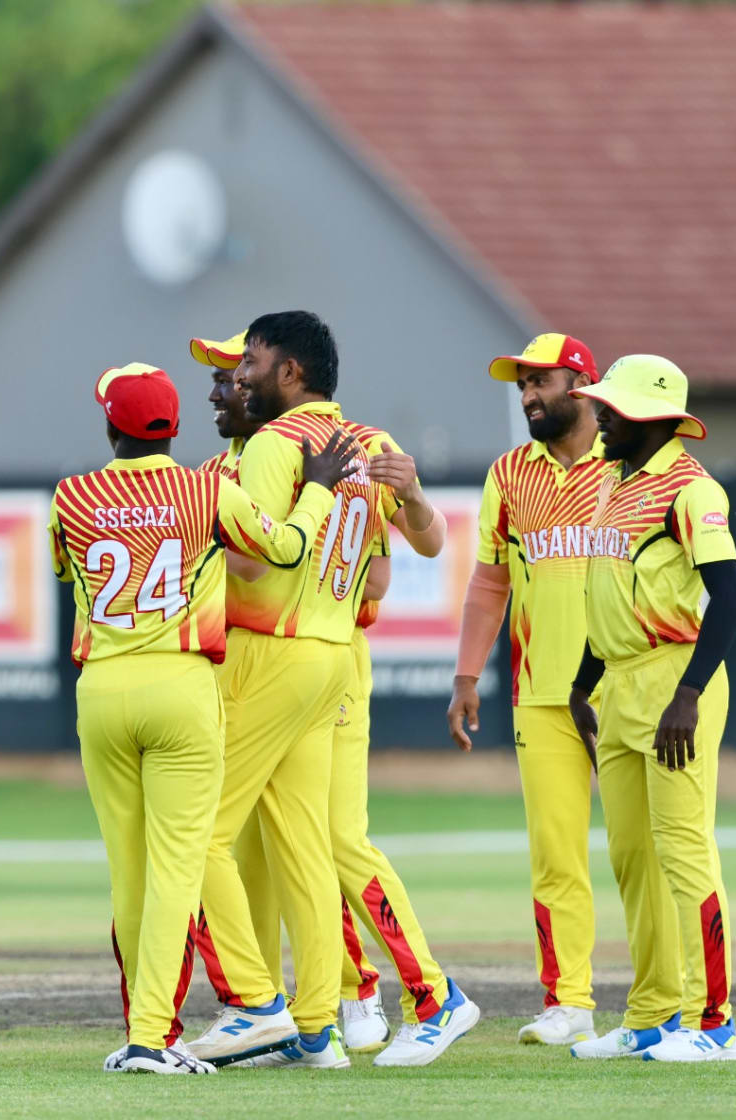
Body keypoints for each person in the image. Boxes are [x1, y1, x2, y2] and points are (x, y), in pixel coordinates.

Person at [187, 312, 478, 1070]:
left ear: (289, 372)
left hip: (272, 652)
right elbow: (427, 542)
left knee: (199, 836)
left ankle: (259, 1006)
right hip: (331, 654)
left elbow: (252, 564)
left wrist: (206, 538)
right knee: (308, 847)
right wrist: (409, 498)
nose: (235, 380)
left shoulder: (274, 448)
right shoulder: (369, 443)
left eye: (246, 364)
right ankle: (319, 1029)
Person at [48, 362, 351, 1074]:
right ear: (175, 426)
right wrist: (316, 493)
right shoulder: (208, 487)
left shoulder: (71, 494)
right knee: (177, 874)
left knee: (129, 875)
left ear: (110, 427)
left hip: (102, 690)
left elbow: (71, 571)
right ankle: (155, 1037)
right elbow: (286, 550)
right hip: (183, 686)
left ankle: (139, 1032)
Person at [567, 354, 736, 1062]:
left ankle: (715, 1025)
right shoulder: (613, 481)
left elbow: (728, 599)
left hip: (677, 682)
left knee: (684, 853)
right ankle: (651, 1016)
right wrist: (583, 685)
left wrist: (689, 694)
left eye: (613, 407)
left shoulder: (693, 490)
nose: (601, 415)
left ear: (654, 418)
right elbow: (606, 595)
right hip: (619, 683)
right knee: (633, 858)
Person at [448, 333, 609, 1047]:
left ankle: (684, 1003)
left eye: (538, 381)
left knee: (653, 850)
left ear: (580, 384)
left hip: (629, 688)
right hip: (542, 691)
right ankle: (568, 1000)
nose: (527, 396)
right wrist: (465, 675)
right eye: (521, 384)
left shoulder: (630, 463)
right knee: (556, 852)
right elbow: (490, 582)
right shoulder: (511, 473)